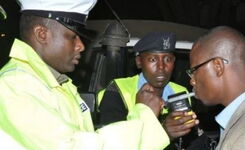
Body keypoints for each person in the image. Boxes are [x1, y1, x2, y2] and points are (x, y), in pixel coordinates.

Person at [0, 0, 170, 149]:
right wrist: (144, 115)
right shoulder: (15, 86)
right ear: (42, 34)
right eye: (73, 37)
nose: (81, 46)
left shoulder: (55, 83)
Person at [97, 32, 208, 150]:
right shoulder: (118, 90)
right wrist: (163, 133)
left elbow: (190, 141)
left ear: (174, 62)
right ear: (139, 62)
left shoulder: (182, 93)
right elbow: (113, 144)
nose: (161, 66)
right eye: (153, 59)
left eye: (167, 59)